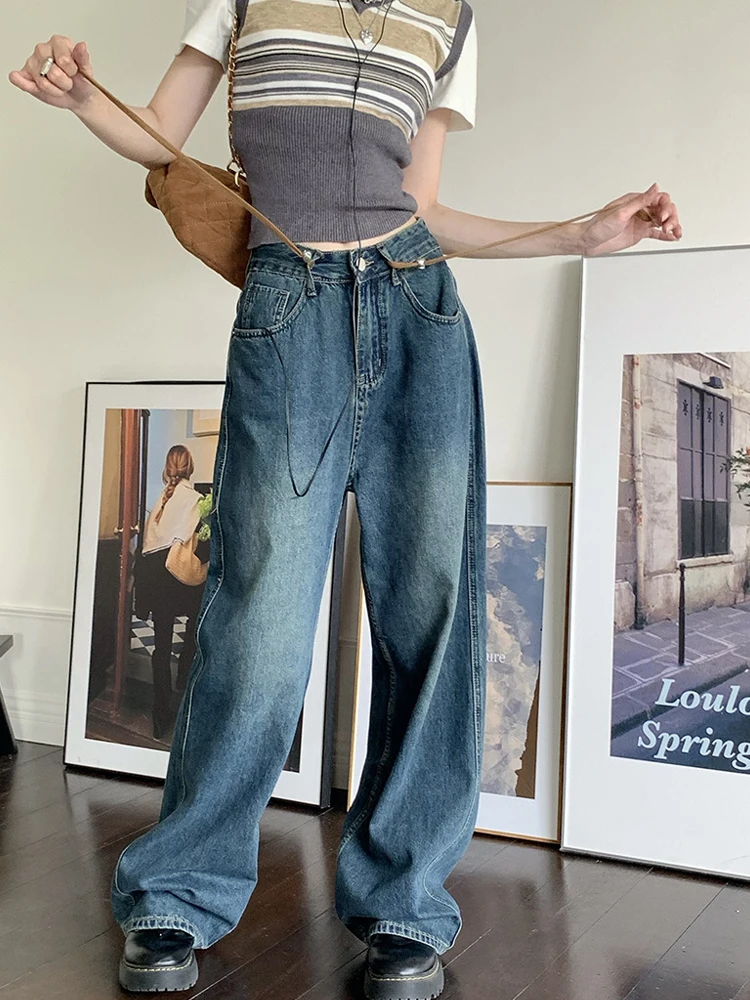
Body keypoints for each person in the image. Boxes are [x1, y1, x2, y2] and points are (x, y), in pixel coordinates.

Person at [9, 2, 682, 996]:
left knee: (430, 617)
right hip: (290, 308)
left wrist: (578, 232)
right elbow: (160, 134)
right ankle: (176, 893)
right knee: (259, 618)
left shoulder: (448, 19)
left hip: (419, 310)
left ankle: (403, 904)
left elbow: (422, 209)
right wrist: (80, 98)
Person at [134, 444, 209, 742]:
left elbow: (148, 546)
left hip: (156, 580)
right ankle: (183, 680)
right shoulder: (197, 500)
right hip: (180, 579)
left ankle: (159, 716)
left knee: (161, 647)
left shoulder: (161, 501)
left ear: (167, 469)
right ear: (190, 468)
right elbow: (203, 545)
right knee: (194, 626)